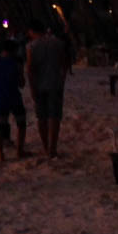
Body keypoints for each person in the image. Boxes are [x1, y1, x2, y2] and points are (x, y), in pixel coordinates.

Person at [25, 21, 69, 158]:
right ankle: (52, 148)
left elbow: (30, 69)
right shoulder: (57, 43)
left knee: (42, 117)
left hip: (39, 85)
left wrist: (32, 87)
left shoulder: (31, 46)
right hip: (55, 83)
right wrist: (62, 80)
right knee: (54, 116)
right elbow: (64, 64)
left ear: (32, 31)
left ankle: (45, 146)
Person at [0, 38, 28, 161]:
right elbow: (21, 83)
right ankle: (19, 150)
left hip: (0, 97)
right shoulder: (16, 63)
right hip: (14, 96)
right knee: (21, 123)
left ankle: (0, 154)